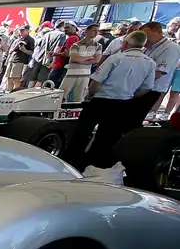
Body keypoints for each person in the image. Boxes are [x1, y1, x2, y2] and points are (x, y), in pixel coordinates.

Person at [62, 30, 155, 171]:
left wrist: (90, 95)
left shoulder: (116, 58)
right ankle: (95, 164)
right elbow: (146, 88)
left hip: (101, 100)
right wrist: (131, 94)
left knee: (82, 132)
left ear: (126, 43)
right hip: (124, 102)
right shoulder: (150, 63)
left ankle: (71, 161)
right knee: (107, 136)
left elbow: (97, 81)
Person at [140, 21, 180, 113]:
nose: (144, 37)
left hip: (151, 89)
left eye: (146, 34)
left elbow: (158, 73)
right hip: (142, 87)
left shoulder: (171, 48)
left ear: (157, 32)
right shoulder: (149, 46)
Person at [60, 24, 102, 103]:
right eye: (94, 30)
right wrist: (90, 57)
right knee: (62, 94)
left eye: (97, 31)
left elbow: (97, 60)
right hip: (72, 73)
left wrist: (81, 59)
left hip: (85, 74)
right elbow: (74, 58)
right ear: (87, 31)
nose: (96, 33)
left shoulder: (98, 45)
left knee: (80, 97)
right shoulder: (76, 45)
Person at [47, 21, 80, 88]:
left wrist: (54, 54)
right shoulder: (75, 37)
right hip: (63, 66)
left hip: (61, 67)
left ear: (74, 27)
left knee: (50, 85)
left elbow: (67, 54)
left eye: (67, 27)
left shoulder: (72, 38)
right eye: (64, 28)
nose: (65, 29)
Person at [3, 25, 34, 92]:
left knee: (16, 79)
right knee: (9, 78)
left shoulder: (30, 40)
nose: (21, 31)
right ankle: (8, 91)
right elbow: (10, 49)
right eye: (20, 30)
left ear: (28, 30)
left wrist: (25, 50)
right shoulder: (18, 39)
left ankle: (14, 93)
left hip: (20, 61)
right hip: (12, 59)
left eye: (23, 30)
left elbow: (32, 52)